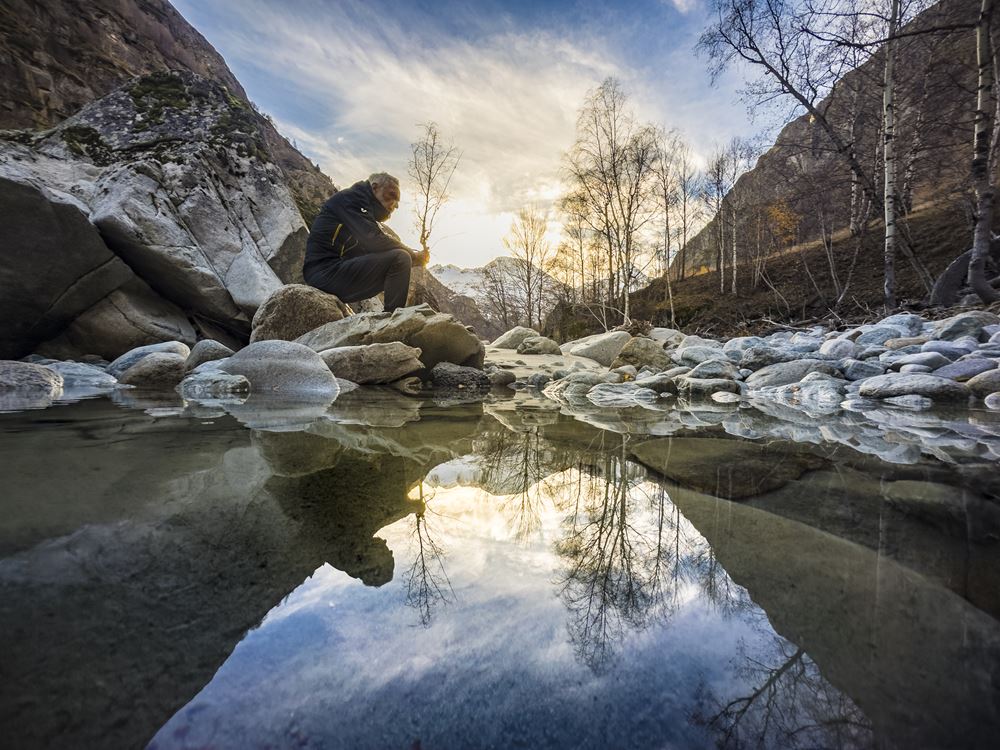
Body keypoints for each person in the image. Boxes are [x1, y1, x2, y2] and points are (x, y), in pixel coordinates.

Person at [302, 172, 429, 312]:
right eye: (391, 195)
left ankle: (392, 316)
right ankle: (394, 318)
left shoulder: (359, 209)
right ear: (375, 187)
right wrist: (413, 255)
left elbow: (373, 248)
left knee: (396, 258)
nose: (396, 205)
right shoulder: (351, 199)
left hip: (332, 273)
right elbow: (373, 240)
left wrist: (414, 258)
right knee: (400, 258)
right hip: (324, 273)